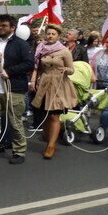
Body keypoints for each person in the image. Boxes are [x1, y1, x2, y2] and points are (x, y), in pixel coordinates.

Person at [0, 14, 35, 164]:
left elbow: (29, 63)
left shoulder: (21, 44)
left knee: (15, 123)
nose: (0, 28)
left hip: (13, 89)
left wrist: (10, 71)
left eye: (4, 26)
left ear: (12, 28)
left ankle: (19, 151)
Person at [30, 24, 76, 159]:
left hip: (59, 84)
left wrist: (67, 70)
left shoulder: (64, 51)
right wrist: (33, 81)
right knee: (44, 114)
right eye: (48, 33)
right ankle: (48, 137)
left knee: (54, 116)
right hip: (44, 83)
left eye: (53, 34)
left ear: (58, 36)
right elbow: (36, 68)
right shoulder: (40, 49)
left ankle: (51, 145)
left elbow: (72, 69)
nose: (50, 36)